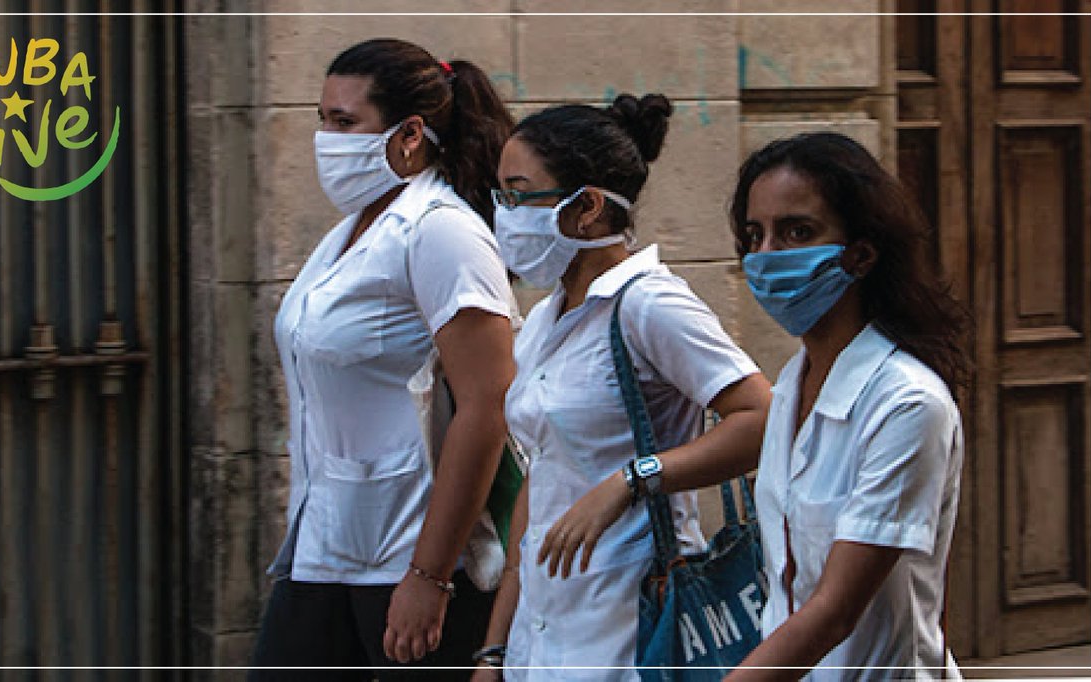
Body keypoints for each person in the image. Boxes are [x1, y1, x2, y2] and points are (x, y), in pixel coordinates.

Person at [472, 94, 771, 680]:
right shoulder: (545, 319)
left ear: (585, 207)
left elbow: (761, 416)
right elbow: (544, 476)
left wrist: (630, 481)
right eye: (499, 194)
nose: (502, 213)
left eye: (516, 192)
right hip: (547, 621)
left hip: (634, 620)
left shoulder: (650, 305)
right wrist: (495, 647)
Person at [250, 38, 518, 679]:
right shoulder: (351, 231)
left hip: (410, 558)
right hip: (323, 549)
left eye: (345, 122)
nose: (326, 138)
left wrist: (428, 575)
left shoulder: (441, 232)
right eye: (323, 119)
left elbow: (488, 407)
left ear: (410, 135)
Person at [724, 132, 970, 680]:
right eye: (754, 235)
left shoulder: (906, 402)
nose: (766, 256)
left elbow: (834, 611)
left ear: (860, 254)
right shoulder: (794, 381)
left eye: (797, 232)